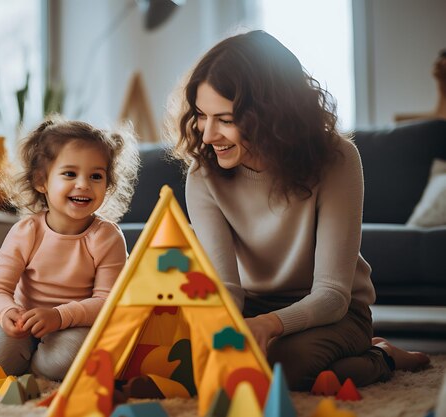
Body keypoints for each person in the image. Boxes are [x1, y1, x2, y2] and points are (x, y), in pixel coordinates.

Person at [167, 30, 430, 390]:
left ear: (271, 114)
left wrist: (269, 326)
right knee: (187, 361)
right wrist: (217, 326)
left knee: (282, 368)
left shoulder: (337, 159)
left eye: (225, 120)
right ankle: (354, 358)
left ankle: (381, 356)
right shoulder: (202, 175)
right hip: (251, 308)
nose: (208, 134)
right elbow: (226, 288)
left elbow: (332, 295)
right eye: (201, 115)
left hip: (335, 312)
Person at [0, 115, 139, 380]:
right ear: (41, 181)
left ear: (107, 185)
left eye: (96, 175)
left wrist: (58, 317)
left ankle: (39, 367)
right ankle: (29, 355)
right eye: (70, 174)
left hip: (74, 325)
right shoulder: (26, 232)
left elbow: (108, 301)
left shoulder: (107, 237)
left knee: (64, 362)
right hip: (24, 323)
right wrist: (7, 312)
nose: (83, 184)